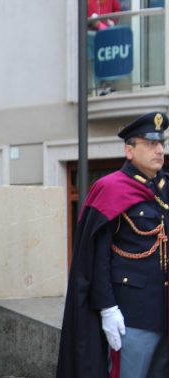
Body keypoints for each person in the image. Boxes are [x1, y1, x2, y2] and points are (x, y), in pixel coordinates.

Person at [57, 112, 169, 378]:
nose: (159, 150)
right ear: (129, 150)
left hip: (164, 310)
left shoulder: (164, 188)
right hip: (133, 314)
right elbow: (96, 257)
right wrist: (107, 308)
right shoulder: (110, 188)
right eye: (150, 143)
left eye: (161, 143)